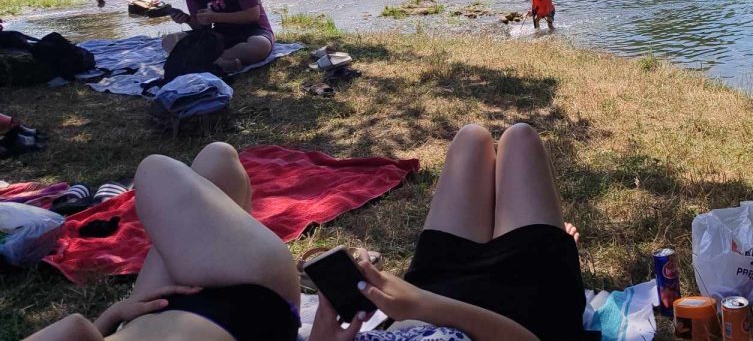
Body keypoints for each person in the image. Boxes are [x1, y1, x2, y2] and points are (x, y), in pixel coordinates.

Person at [24, 125, 590, 341]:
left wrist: (332, 329)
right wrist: (428, 306)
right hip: (517, 309)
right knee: (514, 138)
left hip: (428, 289)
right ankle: (554, 242)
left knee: (471, 140)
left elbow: (77, 329)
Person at [22, 141, 302, 341]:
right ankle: (228, 244)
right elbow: (74, 329)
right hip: (252, 298)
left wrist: (114, 315)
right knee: (159, 169)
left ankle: (228, 241)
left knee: (216, 162)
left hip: (159, 312)